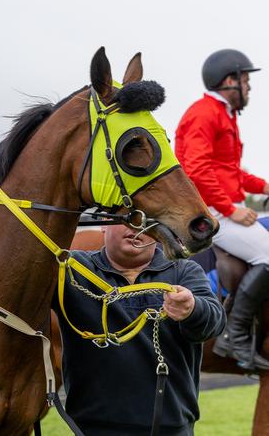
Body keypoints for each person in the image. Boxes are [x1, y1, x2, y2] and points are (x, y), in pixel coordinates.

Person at [53, 225, 225, 436]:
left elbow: (214, 323)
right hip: (92, 428)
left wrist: (192, 308)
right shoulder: (72, 269)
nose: (137, 228)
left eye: (146, 220)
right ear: (104, 223)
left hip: (171, 429)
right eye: (127, 217)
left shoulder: (184, 270)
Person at [175, 49, 269, 370]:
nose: (249, 88)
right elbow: (197, 169)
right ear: (230, 81)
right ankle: (235, 335)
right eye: (246, 81)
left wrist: (264, 186)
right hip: (211, 212)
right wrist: (231, 209)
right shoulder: (204, 113)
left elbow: (232, 172)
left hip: (225, 206)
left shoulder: (224, 114)